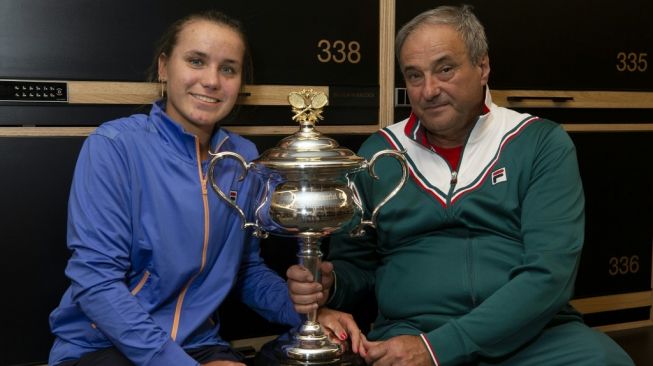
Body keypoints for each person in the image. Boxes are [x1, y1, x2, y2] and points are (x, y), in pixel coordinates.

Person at [287, 5, 634, 366]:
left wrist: (440, 349)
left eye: (445, 69)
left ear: (482, 67)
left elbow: (549, 276)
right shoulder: (379, 154)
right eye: (415, 76)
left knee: (605, 359)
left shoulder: (540, 143)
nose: (429, 90)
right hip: (410, 333)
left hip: (533, 334)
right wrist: (329, 284)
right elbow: (357, 265)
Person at [48, 10, 301, 366]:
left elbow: (245, 271)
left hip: (198, 343)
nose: (212, 80)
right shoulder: (115, 145)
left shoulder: (242, 157)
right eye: (196, 61)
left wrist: (308, 316)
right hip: (102, 346)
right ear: (164, 67)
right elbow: (96, 281)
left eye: (228, 68)